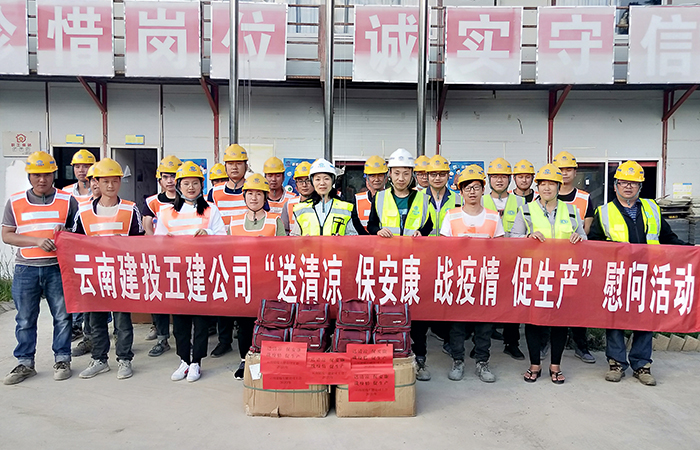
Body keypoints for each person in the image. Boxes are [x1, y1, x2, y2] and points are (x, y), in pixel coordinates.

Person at [589, 161, 687, 386]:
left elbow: (668, 238)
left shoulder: (652, 209)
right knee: (615, 318)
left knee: (645, 318)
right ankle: (616, 363)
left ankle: (642, 365)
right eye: (624, 182)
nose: (628, 187)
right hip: (618, 274)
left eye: (633, 183)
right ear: (615, 185)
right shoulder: (604, 212)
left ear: (640, 187)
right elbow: (594, 243)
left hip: (648, 274)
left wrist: (691, 250)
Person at [2, 151, 79, 385]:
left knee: (63, 316)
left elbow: (79, 232)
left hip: (58, 267)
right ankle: (25, 362)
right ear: (29, 176)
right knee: (25, 318)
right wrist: (36, 241)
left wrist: (66, 232)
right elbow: (7, 235)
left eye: (46, 174)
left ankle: (62, 359)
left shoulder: (67, 200)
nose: (42, 180)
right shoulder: (15, 202)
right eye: (36, 175)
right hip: (26, 268)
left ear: (54, 174)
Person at [511, 164, 587, 385]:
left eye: (551, 184)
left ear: (558, 186)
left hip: (563, 275)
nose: (546, 188)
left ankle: (556, 365)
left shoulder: (571, 211)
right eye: (542, 184)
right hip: (536, 275)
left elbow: (584, 240)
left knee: (560, 321)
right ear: (537, 187)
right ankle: (535, 364)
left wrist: (579, 239)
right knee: (534, 321)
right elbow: (512, 239)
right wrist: (527, 238)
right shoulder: (526, 210)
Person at [72, 158, 144, 380]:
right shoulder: (83, 211)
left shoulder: (130, 209)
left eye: (115, 181)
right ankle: (99, 360)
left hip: (121, 275)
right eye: (105, 181)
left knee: (122, 322)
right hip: (95, 276)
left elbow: (140, 242)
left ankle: (124, 359)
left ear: (120, 182)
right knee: (96, 321)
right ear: (96, 182)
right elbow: (74, 242)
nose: (110, 186)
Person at [154, 161, 226, 382]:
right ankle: (184, 359)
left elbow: (223, 238)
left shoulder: (211, 210)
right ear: (178, 186)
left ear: (201, 185)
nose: (191, 187)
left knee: (201, 321)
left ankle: (196, 362)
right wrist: (166, 241)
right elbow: (157, 242)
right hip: (177, 273)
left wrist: (209, 233)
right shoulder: (167, 213)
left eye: (195, 183)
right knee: (180, 321)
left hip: (202, 271)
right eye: (186, 183)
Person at [367, 149, 433, 380]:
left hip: (414, 264)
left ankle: (420, 358)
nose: (401, 178)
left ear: (412, 175)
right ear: (390, 174)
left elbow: (429, 226)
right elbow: (371, 225)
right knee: (388, 310)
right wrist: (378, 231)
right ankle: (389, 354)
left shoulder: (422, 199)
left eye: (406, 173)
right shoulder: (380, 198)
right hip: (388, 265)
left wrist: (422, 233)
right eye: (396, 173)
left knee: (417, 312)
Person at [441, 165, 504, 384]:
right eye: (467, 188)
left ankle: (482, 362)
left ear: (483, 190)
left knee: (484, 325)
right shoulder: (451, 216)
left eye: (476, 187)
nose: (472, 192)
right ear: (460, 192)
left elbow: (501, 248)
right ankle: (458, 360)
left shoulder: (493, 217)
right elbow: (444, 248)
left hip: (485, 279)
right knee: (457, 324)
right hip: (459, 278)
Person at [228, 174, 286, 379]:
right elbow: (227, 252)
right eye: (250, 194)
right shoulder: (234, 222)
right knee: (244, 324)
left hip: (268, 281)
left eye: (259, 194)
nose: (254, 198)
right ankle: (245, 360)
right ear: (244, 196)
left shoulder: (274, 221)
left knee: (269, 321)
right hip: (244, 281)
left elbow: (284, 251)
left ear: (265, 196)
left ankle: (267, 359)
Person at [552, 151, 597, 364]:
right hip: (549, 261)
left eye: (568, 169)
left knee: (577, 305)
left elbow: (585, 229)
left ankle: (581, 345)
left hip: (574, 260)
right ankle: (546, 344)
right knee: (548, 302)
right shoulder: (543, 196)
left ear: (575, 172)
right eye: (560, 170)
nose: (564, 173)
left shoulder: (584, 198)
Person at [483, 158, 526, 360]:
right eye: (495, 177)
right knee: (485, 301)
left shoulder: (521, 202)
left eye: (503, 177)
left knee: (512, 302)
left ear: (510, 179)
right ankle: (481, 343)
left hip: (512, 259)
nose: (499, 180)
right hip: (486, 260)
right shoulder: (480, 200)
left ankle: (512, 343)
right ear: (489, 179)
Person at [209, 144, 250, 358]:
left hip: (248, 253)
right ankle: (224, 340)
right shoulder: (215, 192)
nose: (234, 167)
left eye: (238, 163)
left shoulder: (253, 188)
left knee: (245, 298)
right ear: (225, 166)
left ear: (246, 165)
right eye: (230, 163)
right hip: (222, 253)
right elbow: (206, 218)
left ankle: (247, 342)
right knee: (223, 298)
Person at [142, 155, 182, 358]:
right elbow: (147, 226)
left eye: (173, 176)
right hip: (159, 256)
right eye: (165, 177)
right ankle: (162, 338)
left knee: (182, 297)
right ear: (159, 180)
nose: (170, 180)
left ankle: (183, 336)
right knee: (159, 296)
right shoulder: (152, 202)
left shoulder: (189, 200)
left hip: (183, 257)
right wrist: (158, 244)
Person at [64, 149, 96, 341]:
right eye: (78, 166)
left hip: (94, 248)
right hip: (74, 247)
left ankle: (95, 328)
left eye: (86, 166)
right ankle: (77, 326)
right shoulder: (66, 192)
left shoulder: (99, 189)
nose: (82, 170)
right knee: (76, 286)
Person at [71, 165, 101, 358]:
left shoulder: (123, 208)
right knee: (90, 306)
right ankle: (89, 339)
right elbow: (74, 237)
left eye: (102, 180)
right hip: (89, 266)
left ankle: (120, 343)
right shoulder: (82, 209)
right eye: (94, 180)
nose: (97, 184)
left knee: (118, 309)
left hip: (114, 267)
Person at [291, 159, 358, 236]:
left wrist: (343, 239)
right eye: (317, 179)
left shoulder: (345, 208)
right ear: (312, 182)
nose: (322, 183)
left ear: (333, 181)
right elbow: (294, 237)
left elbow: (353, 236)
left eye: (326, 179)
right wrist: (302, 240)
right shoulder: (300, 209)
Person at [264, 156, 298, 233]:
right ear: (265, 177)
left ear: (283, 177)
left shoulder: (293, 199)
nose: (273, 179)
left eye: (278, 176)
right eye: (270, 175)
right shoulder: (259, 199)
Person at [356, 155, 388, 229]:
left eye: (380, 175)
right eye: (372, 176)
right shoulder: (357, 200)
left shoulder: (393, 198)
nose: (376, 179)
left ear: (386, 178)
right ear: (366, 179)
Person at [285, 162, 313, 234]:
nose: (304, 185)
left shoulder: (323, 204)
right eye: (300, 181)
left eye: (308, 181)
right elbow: (284, 232)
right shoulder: (289, 204)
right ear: (296, 184)